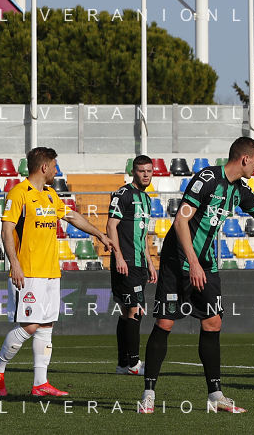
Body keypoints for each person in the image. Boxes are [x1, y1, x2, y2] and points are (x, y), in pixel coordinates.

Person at [139, 137, 254, 414]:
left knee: (213, 322)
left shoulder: (240, 190)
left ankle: (215, 396)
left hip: (206, 264)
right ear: (245, 158)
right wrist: (192, 262)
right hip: (178, 262)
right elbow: (180, 221)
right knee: (165, 323)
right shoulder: (207, 179)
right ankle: (148, 394)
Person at [0, 147, 115, 397]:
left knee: (46, 325)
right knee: (30, 326)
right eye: (55, 166)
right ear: (44, 167)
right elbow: (6, 230)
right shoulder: (19, 193)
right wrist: (15, 264)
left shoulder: (50, 194)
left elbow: (72, 216)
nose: (57, 171)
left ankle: (40, 383)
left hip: (50, 271)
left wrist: (100, 234)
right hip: (28, 271)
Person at [107, 155, 155, 376]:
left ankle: (122, 364)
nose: (146, 175)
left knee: (127, 311)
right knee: (136, 310)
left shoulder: (147, 199)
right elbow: (111, 226)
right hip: (126, 263)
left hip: (139, 264)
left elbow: (142, 236)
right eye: (141, 171)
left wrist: (150, 263)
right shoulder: (123, 194)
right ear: (133, 172)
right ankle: (135, 364)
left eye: (149, 171)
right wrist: (118, 257)